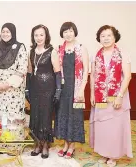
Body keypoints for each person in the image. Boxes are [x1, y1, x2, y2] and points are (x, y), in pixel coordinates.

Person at [90, 25, 133, 167]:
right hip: (100, 96)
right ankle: (104, 153)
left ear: (115, 37)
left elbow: (127, 77)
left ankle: (113, 156)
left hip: (117, 97)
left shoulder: (123, 54)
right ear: (99, 38)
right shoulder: (96, 56)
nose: (106, 38)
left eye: (109, 35)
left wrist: (120, 95)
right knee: (103, 127)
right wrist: (91, 94)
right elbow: (93, 77)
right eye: (103, 36)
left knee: (115, 128)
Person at [0, 22, 27, 149]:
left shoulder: (20, 47)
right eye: (3, 31)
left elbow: (22, 69)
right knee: (1, 118)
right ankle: (1, 145)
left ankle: (14, 146)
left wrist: (7, 84)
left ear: (13, 33)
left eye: (8, 32)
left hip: (13, 91)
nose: (5, 34)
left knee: (13, 118)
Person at [54, 22, 89, 159]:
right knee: (63, 115)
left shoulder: (81, 48)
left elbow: (86, 70)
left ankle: (72, 145)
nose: (68, 34)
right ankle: (65, 144)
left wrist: (82, 89)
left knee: (74, 116)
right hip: (63, 88)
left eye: (70, 31)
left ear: (75, 32)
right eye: (65, 32)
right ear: (62, 34)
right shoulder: (59, 49)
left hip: (77, 88)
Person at [27, 24, 61, 159]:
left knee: (46, 116)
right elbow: (29, 72)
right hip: (35, 88)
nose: (39, 37)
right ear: (33, 37)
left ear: (46, 36)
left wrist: (58, 90)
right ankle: (37, 143)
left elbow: (58, 73)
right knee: (35, 115)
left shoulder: (52, 51)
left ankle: (46, 144)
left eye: (41, 35)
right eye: (36, 35)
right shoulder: (31, 52)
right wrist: (27, 88)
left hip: (48, 88)